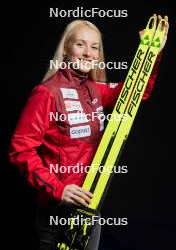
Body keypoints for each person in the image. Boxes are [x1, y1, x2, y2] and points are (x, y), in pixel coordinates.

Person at [9, 14, 169, 250]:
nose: (88, 53)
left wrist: (151, 53)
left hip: (90, 205)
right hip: (58, 210)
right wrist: (58, 188)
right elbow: (19, 150)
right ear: (66, 49)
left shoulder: (95, 90)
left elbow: (136, 94)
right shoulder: (46, 93)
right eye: (80, 44)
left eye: (94, 47)